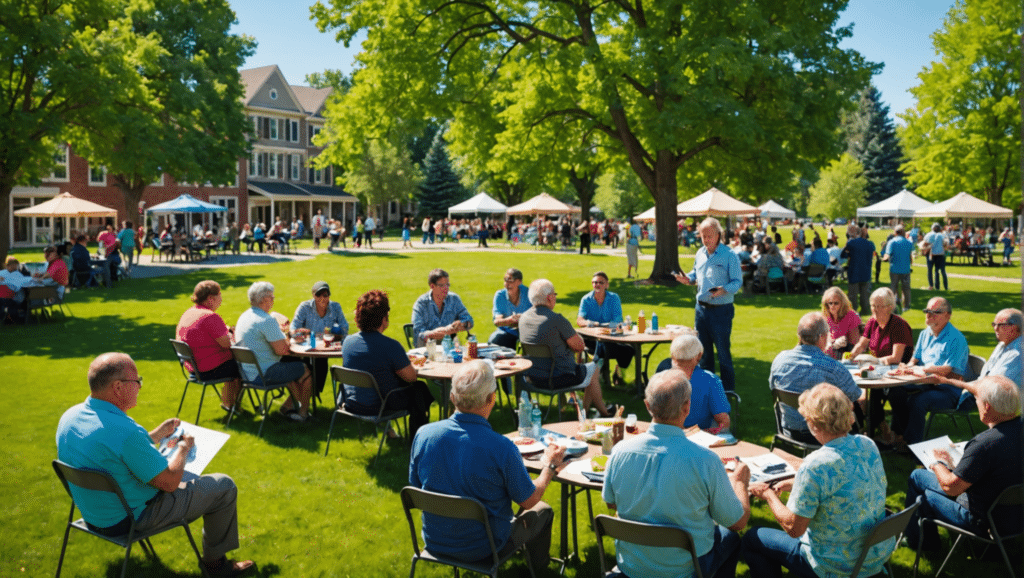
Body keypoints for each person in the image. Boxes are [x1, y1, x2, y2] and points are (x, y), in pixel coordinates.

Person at [56, 353, 255, 576]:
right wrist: (183, 449)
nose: (140, 386)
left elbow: (112, 452)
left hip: (93, 515)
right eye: (137, 381)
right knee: (223, 486)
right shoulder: (125, 432)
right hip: (130, 518)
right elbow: (169, 483)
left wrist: (156, 435)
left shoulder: (70, 417)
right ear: (118, 387)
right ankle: (216, 567)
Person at [409, 360, 564, 572]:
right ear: (491, 399)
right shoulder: (501, 447)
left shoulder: (423, 434)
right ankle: (539, 571)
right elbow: (529, 501)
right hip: (484, 548)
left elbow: (415, 487)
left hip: (435, 541)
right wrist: (550, 467)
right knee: (543, 511)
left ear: (452, 397)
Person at [603, 370, 751, 578]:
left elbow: (611, 503)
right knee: (731, 538)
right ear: (687, 408)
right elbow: (737, 522)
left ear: (647, 405)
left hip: (632, 566)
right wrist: (740, 483)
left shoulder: (619, 452)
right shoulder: (705, 460)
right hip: (687, 570)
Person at [743, 383, 893, 578]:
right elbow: (844, 480)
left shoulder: (815, 465)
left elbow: (794, 529)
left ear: (813, 423)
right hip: (871, 556)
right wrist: (796, 483)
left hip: (834, 566)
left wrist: (769, 495)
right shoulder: (867, 445)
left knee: (752, 539)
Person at [904, 375, 1023, 552]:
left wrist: (937, 462)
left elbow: (951, 488)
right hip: (1016, 517)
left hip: (984, 521)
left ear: (987, 406)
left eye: (977, 399)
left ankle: (924, 544)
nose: (976, 402)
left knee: (919, 483)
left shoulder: (985, 444)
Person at [342, 289, 434, 438]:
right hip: (379, 405)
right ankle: (419, 441)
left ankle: (402, 435)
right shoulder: (391, 346)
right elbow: (411, 377)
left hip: (353, 402)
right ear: (384, 318)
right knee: (419, 390)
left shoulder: (347, 342)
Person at [519, 279, 615, 417]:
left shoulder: (523, 318)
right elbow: (579, 346)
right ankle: (599, 413)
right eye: (555, 294)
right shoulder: (556, 320)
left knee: (588, 369)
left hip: (532, 376)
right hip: (557, 377)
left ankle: (585, 413)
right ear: (549, 297)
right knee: (594, 368)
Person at [887, 296, 970, 445]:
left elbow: (948, 371)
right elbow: (915, 358)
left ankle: (912, 446)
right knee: (895, 391)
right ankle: (899, 435)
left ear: (948, 315)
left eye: (935, 312)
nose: (929, 315)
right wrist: (908, 367)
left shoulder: (956, 338)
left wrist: (923, 370)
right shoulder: (926, 333)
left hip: (948, 389)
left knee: (918, 401)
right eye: (927, 311)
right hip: (925, 381)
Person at [769, 313, 862, 444]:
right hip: (825, 434)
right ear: (822, 337)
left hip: (789, 430)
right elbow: (854, 396)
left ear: (799, 336)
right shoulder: (833, 367)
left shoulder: (779, 360)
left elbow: (772, 388)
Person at [674, 217, 743, 392]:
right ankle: (707, 392)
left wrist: (723, 289)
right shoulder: (700, 253)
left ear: (718, 235)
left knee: (723, 355)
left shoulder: (729, 255)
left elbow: (737, 282)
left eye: (709, 236)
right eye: (703, 236)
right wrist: (687, 279)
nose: (706, 239)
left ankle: (728, 392)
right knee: (702, 354)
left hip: (721, 311)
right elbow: (695, 275)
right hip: (701, 310)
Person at [234, 282, 312, 421]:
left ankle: (289, 407)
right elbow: (282, 350)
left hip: (247, 373)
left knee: (292, 367)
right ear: (264, 300)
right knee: (306, 369)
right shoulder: (266, 320)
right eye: (272, 297)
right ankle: (303, 413)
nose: (273, 300)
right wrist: (290, 338)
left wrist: (284, 336)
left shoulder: (244, 316)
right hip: (264, 374)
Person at [927, 308, 1022, 416]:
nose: (995, 328)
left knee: (920, 398)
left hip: (992, 401)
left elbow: (993, 390)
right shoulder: (1003, 344)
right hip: (976, 390)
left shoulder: (1017, 354)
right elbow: (985, 378)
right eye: (994, 324)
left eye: (1000, 325)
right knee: (924, 389)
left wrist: (949, 382)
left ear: (1014, 327)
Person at [175, 280, 242, 410]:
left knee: (234, 365)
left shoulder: (189, 313)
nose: (221, 298)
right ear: (210, 298)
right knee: (243, 366)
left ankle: (229, 403)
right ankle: (231, 405)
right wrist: (232, 334)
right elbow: (227, 344)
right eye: (219, 295)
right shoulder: (209, 317)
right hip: (207, 368)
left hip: (192, 367)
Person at [654, 332, 731, 432]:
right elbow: (723, 421)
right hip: (697, 439)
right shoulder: (711, 380)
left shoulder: (660, 378)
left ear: (673, 355)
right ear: (699, 355)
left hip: (665, 436)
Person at [291, 281, 350, 396]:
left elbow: (345, 328)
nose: (322, 298)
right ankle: (308, 394)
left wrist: (333, 332)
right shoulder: (305, 307)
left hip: (326, 346)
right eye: (318, 295)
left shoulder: (335, 307)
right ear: (313, 295)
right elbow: (294, 328)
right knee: (308, 365)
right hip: (308, 345)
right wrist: (301, 335)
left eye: (325, 295)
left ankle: (312, 393)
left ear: (329, 296)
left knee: (321, 363)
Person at [576, 271, 633, 386]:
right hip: (592, 339)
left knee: (631, 350)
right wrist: (593, 323)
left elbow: (618, 320)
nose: (597, 285)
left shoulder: (614, 298)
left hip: (611, 337)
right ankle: (601, 373)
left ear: (607, 285)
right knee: (602, 348)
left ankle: (617, 373)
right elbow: (579, 321)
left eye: (601, 283)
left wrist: (605, 327)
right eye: (595, 282)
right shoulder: (586, 299)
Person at [411, 268, 473, 347]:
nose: (446, 288)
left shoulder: (454, 299)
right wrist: (437, 333)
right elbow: (418, 333)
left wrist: (463, 324)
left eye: (447, 284)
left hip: (450, 347)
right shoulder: (421, 303)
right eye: (441, 285)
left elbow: (469, 320)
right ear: (432, 286)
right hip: (427, 348)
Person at [489, 268, 531, 349]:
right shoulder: (500, 295)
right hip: (508, 332)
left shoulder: (529, 294)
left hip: (528, 332)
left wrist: (523, 320)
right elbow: (497, 321)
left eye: (510, 280)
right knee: (493, 340)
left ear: (519, 282)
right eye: (505, 280)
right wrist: (509, 320)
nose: (506, 284)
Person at [820, 287, 860, 360]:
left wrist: (845, 341)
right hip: (825, 355)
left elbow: (855, 343)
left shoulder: (851, 316)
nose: (832, 306)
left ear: (842, 303)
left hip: (843, 356)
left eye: (836, 303)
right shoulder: (824, 317)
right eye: (830, 303)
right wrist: (832, 343)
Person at [882, 224, 914, 310]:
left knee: (893, 286)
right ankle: (906, 306)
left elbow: (887, 254)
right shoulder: (909, 242)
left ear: (895, 232)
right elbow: (910, 256)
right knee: (906, 288)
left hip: (894, 268)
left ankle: (892, 305)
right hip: (906, 269)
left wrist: (883, 258)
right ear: (903, 232)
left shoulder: (892, 242)